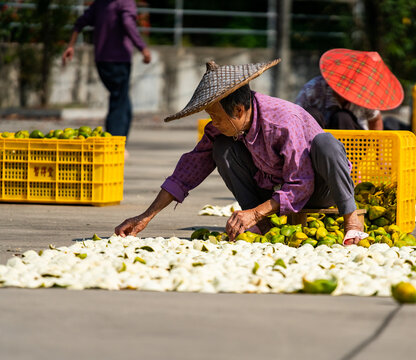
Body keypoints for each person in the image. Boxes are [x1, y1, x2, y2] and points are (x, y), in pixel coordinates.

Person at [115, 59, 368, 245]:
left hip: (320, 189)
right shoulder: (223, 129)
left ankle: (351, 220)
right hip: (276, 192)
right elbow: (188, 170)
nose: (213, 122)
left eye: (216, 116)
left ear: (238, 110)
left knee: (327, 143)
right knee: (223, 148)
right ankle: (259, 224)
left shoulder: (283, 121)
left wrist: (254, 212)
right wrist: (145, 216)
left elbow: (301, 185)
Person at [62, 0, 152, 139]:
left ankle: (120, 142)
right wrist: (143, 48)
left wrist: (71, 45)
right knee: (119, 101)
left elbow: (80, 21)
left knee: (123, 101)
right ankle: (115, 141)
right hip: (119, 60)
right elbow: (128, 24)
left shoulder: (101, 2)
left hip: (102, 60)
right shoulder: (125, 2)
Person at [295, 49, 404, 131]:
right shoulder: (313, 89)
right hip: (319, 142)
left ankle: (345, 161)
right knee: (310, 114)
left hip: (353, 146)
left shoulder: (366, 94)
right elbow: (294, 117)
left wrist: (376, 152)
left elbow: (375, 119)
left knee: (342, 117)